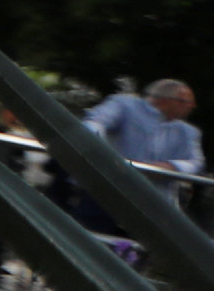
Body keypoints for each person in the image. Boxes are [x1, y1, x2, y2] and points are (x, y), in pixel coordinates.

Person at [65, 78, 204, 233]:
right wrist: (102, 153)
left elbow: (196, 162)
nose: (192, 107)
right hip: (107, 193)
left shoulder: (188, 131)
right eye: (186, 101)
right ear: (165, 100)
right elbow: (94, 124)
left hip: (153, 204)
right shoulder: (124, 105)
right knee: (90, 238)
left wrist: (171, 167)